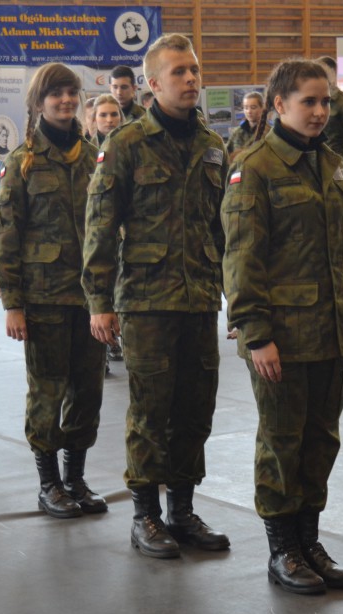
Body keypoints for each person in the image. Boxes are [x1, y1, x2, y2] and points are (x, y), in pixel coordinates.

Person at [221, 58, 343, 595]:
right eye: (309, 101)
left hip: (330, 331)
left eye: (326, 101)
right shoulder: (254, 166)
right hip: (280, 337)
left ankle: (309, 540)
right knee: (282, 442)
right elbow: (241, 259)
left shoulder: (329, 163)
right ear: (279, 104)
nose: (320, 111)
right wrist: (256, 333)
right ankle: (282, 547)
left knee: (320, 440)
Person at [83, 33, 230, 559]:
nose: (190, 79)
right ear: (153, 83)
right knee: (150, 409)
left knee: (196, 408)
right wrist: (100, 300)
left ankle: (182, 511)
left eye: (194, 70)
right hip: (145, 301)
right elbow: (100, 226)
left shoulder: (214, 145)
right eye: (178, 73)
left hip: (199, 297)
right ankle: (145, 514)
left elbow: (224, 231)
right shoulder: (124, 144)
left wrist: (234, 297)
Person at [0, 63, 108, 515]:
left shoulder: (92, 155)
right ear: (38, 102)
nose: (65, 101)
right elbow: (5, 235)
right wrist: (12, 304)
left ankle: (75, 479)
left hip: (90, 298)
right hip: (42, 298)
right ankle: (48, 484)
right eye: (56, 94)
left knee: (88, 391)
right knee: (47, 390)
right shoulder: (21, 160)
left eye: (72, 93)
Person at [90, 94, 126, 368]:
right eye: (103, 115)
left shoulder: (128, 149)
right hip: (95, 234)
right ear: (92, 121)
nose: (109, 119)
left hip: (123, 237)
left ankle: (114, 340)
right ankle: (99, 350)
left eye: (114, 114)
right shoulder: (87, 154)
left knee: (118, 290)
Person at [226, 91, 264, 160]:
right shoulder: (237, 132)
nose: (249, 111)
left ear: (262, 108)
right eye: (246, 108)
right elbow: (227, 156)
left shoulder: (269, 132)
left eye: (253, 107)